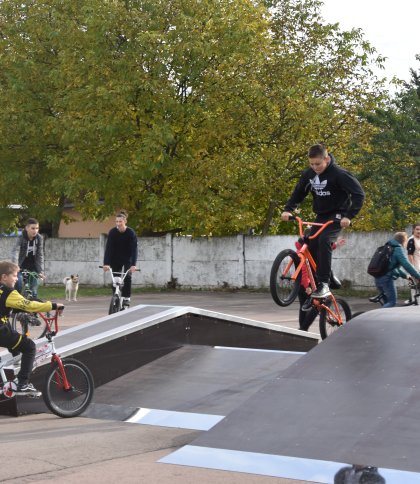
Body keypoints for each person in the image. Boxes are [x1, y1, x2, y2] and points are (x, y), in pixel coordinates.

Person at [281, 144, 365, 299]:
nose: (315, 167)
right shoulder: (309, 174)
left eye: (318, 164)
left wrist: (349, 216)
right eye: (311, 164)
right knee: (311, 245)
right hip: (321, 215)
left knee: (325, 240)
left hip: (338, 215)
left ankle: (324, 284)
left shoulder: (340, 174)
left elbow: (359, 194)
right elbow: (299, 192)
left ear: (326, 158)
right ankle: (322, 282)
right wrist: (288, 209)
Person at [0, 260, 64, 394]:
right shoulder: (8, 292)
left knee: (16, 343)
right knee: (29, 347)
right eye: (14, 275)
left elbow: (9, 307)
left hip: (3, 327)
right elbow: (29, 304)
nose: (17, 279)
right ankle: (23, 383)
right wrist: (52, 306)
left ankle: (13, 371)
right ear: (4, 277)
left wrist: (22, 311)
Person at [296, 228, 345, 330]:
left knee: (303, 307)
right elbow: (304, 269)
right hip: (309, 283)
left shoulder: (302, 248)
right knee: (318, 305)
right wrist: (307, 286)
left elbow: (326, 249)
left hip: (300, 283)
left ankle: (302, 330)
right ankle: (303, 329)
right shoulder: (306, 251)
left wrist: (336, 244)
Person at [374, 232, 420, 308]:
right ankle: (376, 318)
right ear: (404, 241)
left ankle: (384, 319)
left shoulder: (388, 247)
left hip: (378, 278)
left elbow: (392, 268)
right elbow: (407, 265)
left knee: (387, 303)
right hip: (386, 279)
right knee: (392, 302)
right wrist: (418, 276)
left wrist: (405, 276)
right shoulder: (398, 249)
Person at [103, 210, 138, 307]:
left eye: (120, 222)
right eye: (116, 222)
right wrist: (106, 263)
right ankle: (116, 295)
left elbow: (134, 249)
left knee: (127, 277)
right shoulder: (113, 232)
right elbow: (108, 248)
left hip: (127, 258)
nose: (118, 224)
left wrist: (133, 265)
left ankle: (126, 298)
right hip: (115, 258)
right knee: (116, 279)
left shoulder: (131, 233)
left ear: (125, 221)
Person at [11, 218, 44, 299]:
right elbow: (15, 251)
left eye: (37, 228)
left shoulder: (39, 238)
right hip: (20, 266)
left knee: (33, 288)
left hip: (33, 266)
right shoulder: (21, 238)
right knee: (18, 283)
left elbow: (40, 255)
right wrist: (16, 266)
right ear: (27, 228)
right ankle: (16, 301)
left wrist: (40, 271)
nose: (35, 231)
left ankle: (33, 307)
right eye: (33, 228)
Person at [405, 223, 420, 305]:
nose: (419, 231)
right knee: (415, 285)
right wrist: (413, 268)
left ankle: (412, 301)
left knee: (417, 286)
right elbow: (410, 255)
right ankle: (413, 302)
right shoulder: (411, 240)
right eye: (417, 229)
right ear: (413, 230)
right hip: (416, 267)